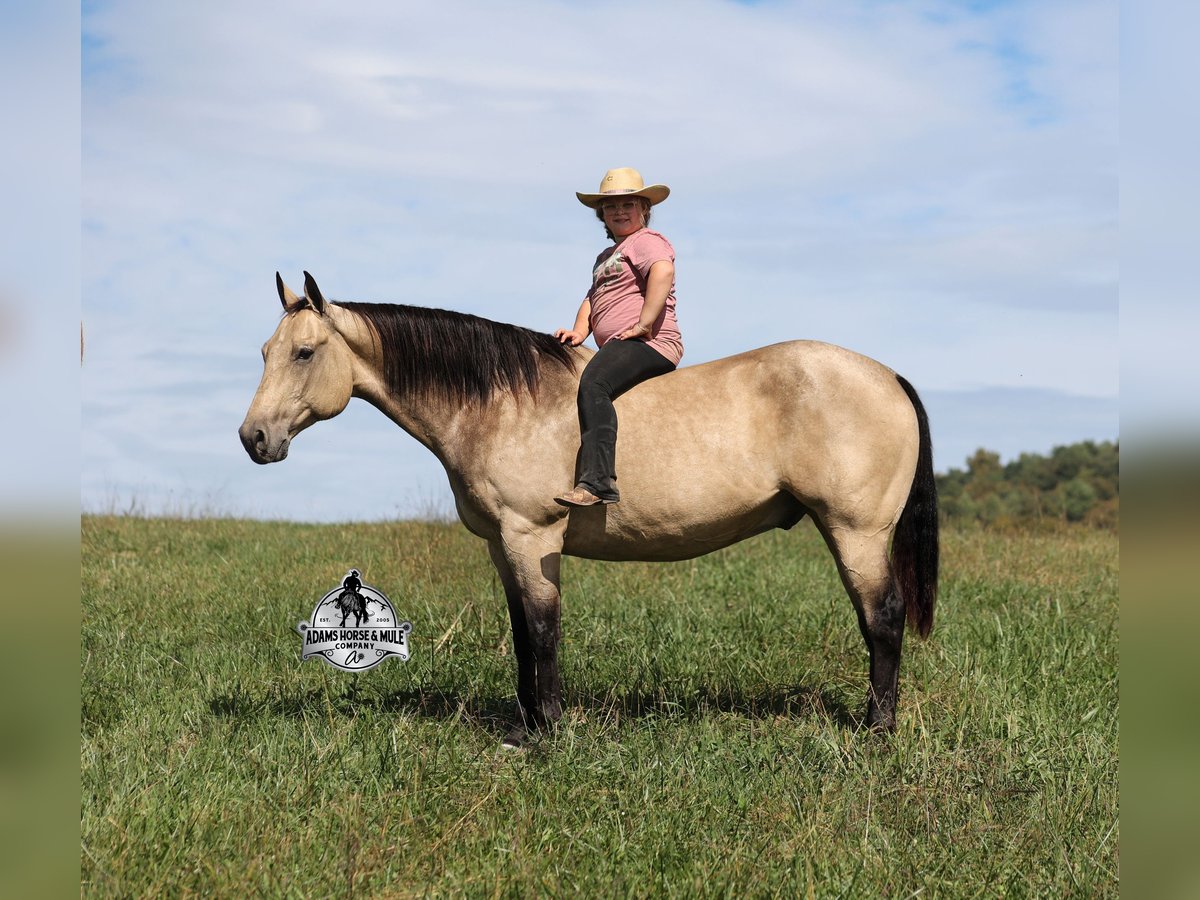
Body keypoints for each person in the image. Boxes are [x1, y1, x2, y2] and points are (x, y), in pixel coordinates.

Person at [553, 167, 684, 507]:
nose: (619, 212)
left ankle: (598, 484)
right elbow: (592, 297)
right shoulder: (605, 258)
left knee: (594, 383)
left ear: (644, 209)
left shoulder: (646, 242)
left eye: (628, 204)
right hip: (619, 344)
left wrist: (644, 323)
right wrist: (580, 330)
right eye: (611, 207)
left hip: (650, 343)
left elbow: (663, 270)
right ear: (603, 216)